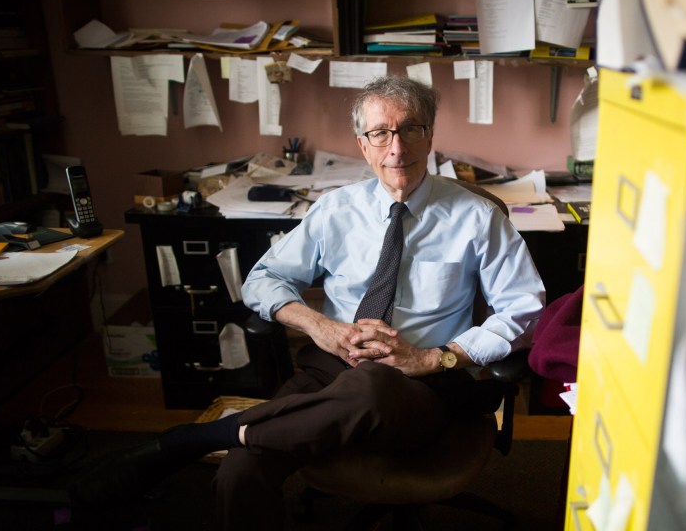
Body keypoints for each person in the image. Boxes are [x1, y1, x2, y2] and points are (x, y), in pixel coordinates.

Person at [70, 75, 545, 529]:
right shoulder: (336, 209)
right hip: (330, 367)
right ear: (363, 144)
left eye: (409, 131)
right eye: (380, 133)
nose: (396, 148)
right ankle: (221, 442)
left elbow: (524, 309)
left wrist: (434, 356)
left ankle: (191, 441)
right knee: (242, 472)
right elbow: (263, 279)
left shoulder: (477, 217)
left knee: (371, 389)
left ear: (429, 137)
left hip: (422, 385)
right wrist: (319, 327)